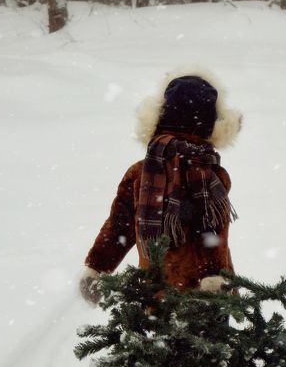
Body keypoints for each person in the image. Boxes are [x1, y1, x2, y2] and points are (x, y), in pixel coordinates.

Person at [79, 71, 241, 305]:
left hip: (155, 292)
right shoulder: (210, 175)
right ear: (209, 125)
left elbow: (119, 228)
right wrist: (212, 276)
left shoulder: (140, 173)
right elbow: (212, 234)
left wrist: (97, 267)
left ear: (159, 118)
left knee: (156, 340)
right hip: (204, 297)